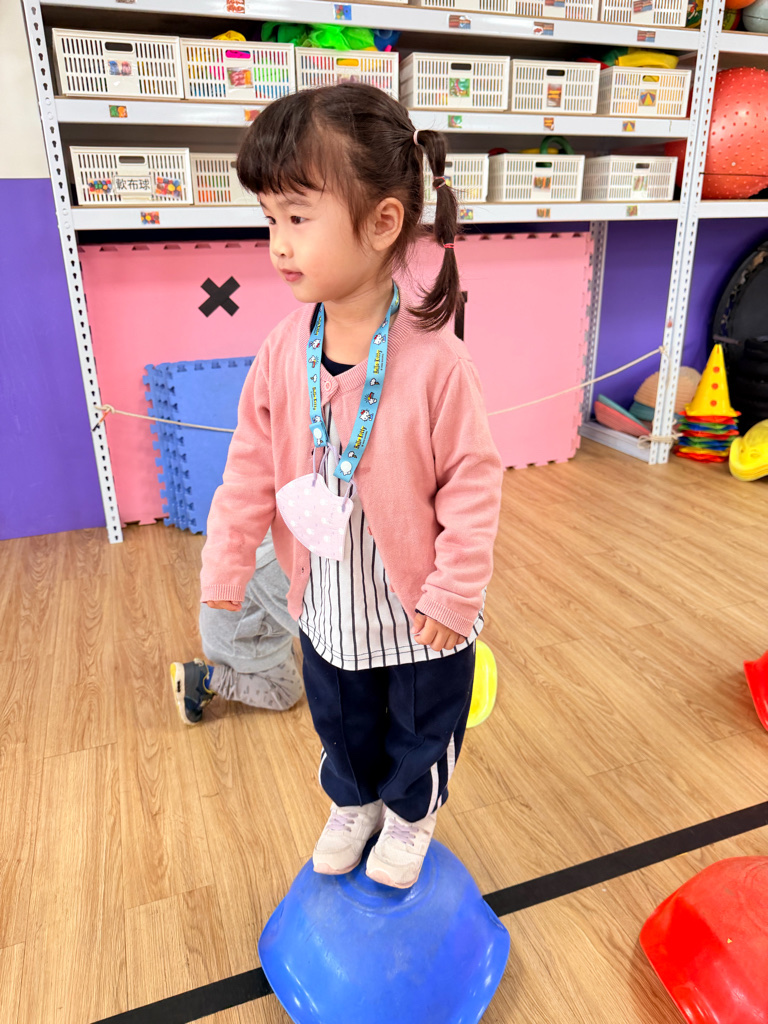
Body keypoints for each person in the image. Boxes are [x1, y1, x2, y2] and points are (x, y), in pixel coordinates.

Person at [200, 83, 503, 889]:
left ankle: (409, 814)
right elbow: (249, 463)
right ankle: (355, 801)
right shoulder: (281, 350)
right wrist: (228, 560)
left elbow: (474, 483)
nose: (278, 244)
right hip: (329, 598)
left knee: (421, 722)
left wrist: (456, 591)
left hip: (418, 608)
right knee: (340, 715)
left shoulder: (438, 361)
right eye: (270, 219)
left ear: (381, 222)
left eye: (298, 218)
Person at [170, 530, 302, 725]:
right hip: (238, 644)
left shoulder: (259, 532)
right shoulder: (271, 566)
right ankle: (205, 679)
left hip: (224, 626)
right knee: (288, 692)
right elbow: (307, 628)